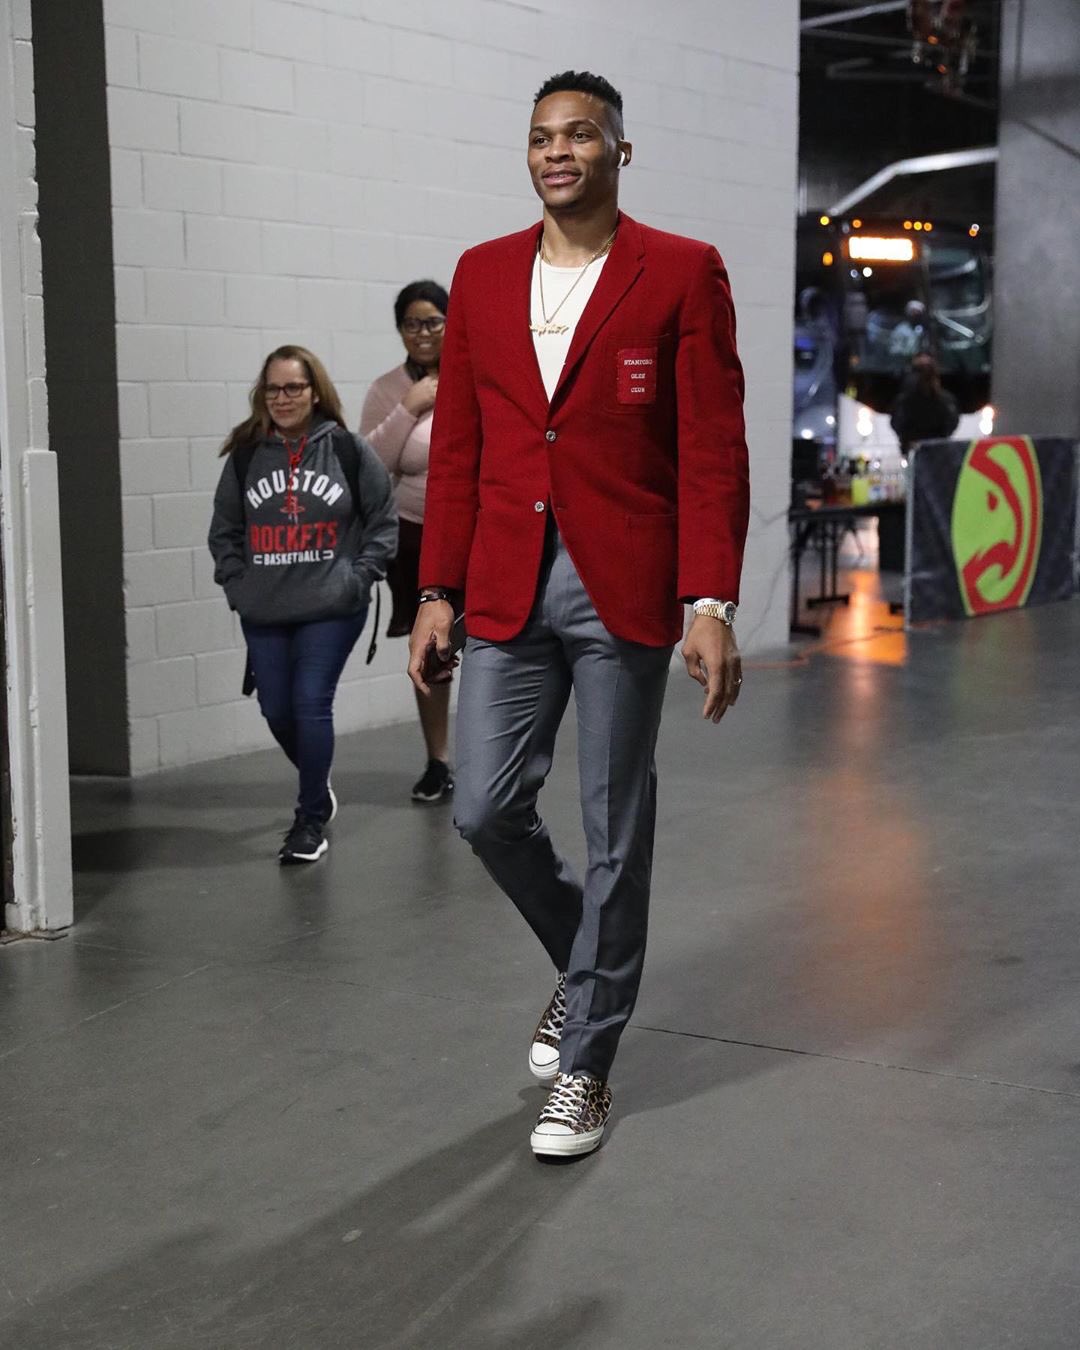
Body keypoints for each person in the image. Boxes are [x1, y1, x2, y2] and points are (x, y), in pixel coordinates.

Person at [408, 72, 749, 1158]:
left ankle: (588, 1069)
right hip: (507, 580)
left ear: (619, 151)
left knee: (615, 829)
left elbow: (711, 448)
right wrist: (436, 590)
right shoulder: (482, 273)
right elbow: (459, 450)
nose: (557, 152)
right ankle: (585, 963)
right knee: (483, 808)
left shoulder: (682, 270)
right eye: (541, 137)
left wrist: (709, 600)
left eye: (580, 135)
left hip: (626, 586)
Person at [209, 346, 397, 864]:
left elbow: (383, 520)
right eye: (273, 389)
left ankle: (309, 820)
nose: (283, 398)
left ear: (315, 392)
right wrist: (238, 586)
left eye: (293, 387)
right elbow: (224, 531)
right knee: (276, 708)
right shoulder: (246, 455)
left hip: (332, 604)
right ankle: (318, 783)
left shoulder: (348, 450)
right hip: (265, 607)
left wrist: (360, 578)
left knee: (311, 702)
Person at [360, 280, 454, 805]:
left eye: (433, 321)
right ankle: (438, 761)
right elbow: (372, 465)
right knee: (432, 649)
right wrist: (409, 406)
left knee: (495, 643)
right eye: (411, 323)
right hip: (414, 533)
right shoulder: (386, 389)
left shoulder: (473, 373)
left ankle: (496, 756)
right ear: (400, 330)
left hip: (479, 529)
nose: (422, 333)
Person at [890, 352, 960, 454]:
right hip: (929, 449)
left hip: (929, 448)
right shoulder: (905, 401)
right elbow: (952, 422)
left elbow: (896, 422)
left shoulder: (945, 400)